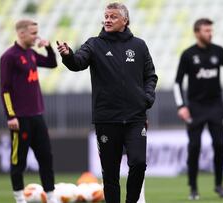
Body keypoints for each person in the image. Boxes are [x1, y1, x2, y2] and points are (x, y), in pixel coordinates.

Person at [57, 2, 158, 203]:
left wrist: (146, 99)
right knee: (110, 173)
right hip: (107, 119)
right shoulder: (94, 44)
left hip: (135, 117)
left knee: (138, 163)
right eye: (106, 16)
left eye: (112, 16)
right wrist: (68, 55)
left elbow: (151, 76)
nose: (107, 20)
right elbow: (77, 63)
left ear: (125, 20)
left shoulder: (139, 45)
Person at [173, 18, 223, 200]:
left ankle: (218, 185)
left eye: (211, 30)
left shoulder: (218, 51)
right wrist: (181, 106)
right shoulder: (188, 55)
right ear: (197, 32)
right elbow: (177, 82)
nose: (210, 33)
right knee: (194, 147)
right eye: (206, 30)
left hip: (216, 106)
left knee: (219, 145)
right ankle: (193, 187)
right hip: (195, 108)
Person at [0, 19, 58, 203]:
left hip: (37, 115)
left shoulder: (31, 54)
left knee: (46, 157)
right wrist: (11, 115)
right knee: (19, 160)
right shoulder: (9, 57)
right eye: (33, 33)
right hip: (20, 118)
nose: (36, 36)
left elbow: (52, 63)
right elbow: (5, 89)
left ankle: (50, 196)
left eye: (37, 32)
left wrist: (48, 47)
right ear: (21, 33)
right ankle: (19, 197)